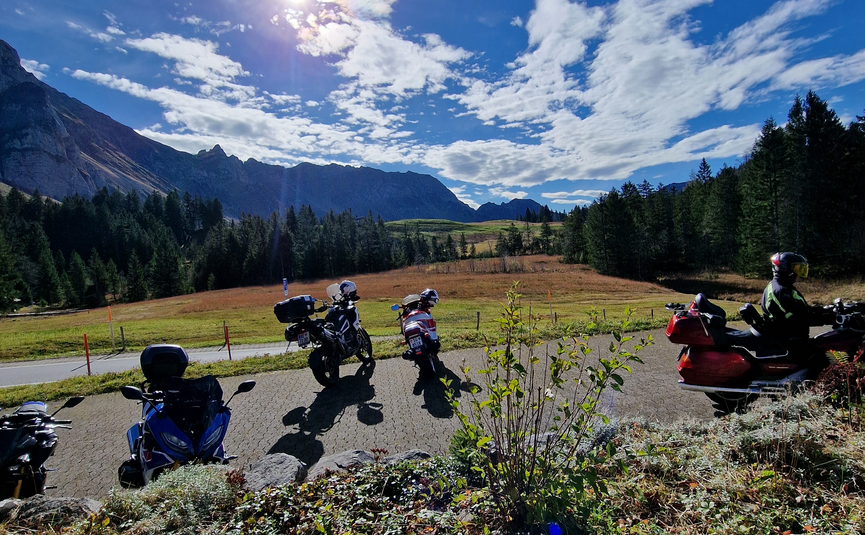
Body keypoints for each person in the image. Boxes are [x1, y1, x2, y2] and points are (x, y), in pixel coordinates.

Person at [760, 252, 832, 357]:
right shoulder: (780, 292)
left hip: (793, 340)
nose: (799, 273)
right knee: (828, 354)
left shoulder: (784, 286)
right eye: (797, 269)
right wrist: (830, 319)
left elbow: (803, 309)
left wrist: (828, 310)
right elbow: (801, 318)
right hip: (790, 345)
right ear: (785, 269)